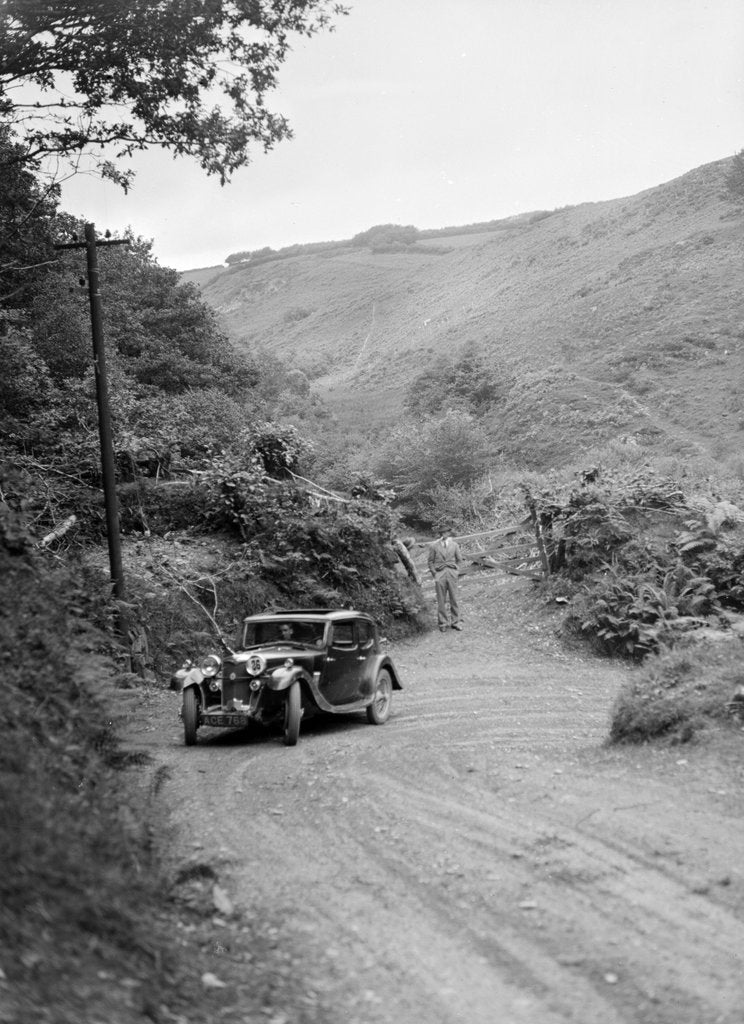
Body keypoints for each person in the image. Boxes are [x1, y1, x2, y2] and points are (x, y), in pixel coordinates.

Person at [427, 525, 465, 631]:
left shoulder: (454, 545)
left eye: (447, 532)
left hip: (452, 574)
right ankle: (443, 623)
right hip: (440, 575)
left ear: (449, 533)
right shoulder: (434, 546)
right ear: (441, 534)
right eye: (443, 532)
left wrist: (456, 572)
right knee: (441, 600)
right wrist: (435, 574)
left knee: (454, 598)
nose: (445, 534)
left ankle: (455, 622)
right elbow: (430, 561)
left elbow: (459, 560)